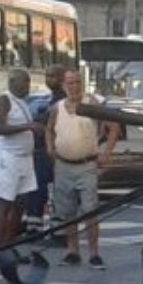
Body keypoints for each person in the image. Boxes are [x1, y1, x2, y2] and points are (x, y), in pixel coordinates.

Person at [46, 70, 120, 269]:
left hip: (86, 164)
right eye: (70, 83)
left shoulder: (93, 104)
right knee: (68, 211)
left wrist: (107, 152)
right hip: (63, 164)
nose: (74, 87)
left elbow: (114, 126)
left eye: (78, 82)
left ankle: (94, 253)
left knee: (90, 210)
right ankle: (72, 251)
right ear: (64, 86)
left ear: (83, 83)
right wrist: (50, 148)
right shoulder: (57, 107)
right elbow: (49, 128)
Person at [0, 69, 45, 246]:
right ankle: (1, 247)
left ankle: (10, 243)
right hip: (9, 158)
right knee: (5, 202)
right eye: (25, 82)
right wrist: (28, 127)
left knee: (21, 203)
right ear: (12, 82)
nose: (28, 86)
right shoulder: (4, 100)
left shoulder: (21, 102)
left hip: (25, 159)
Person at [24, 64, 67, 232]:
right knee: (37, 190)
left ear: (62, 78)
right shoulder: (46, 100)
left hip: (60, 151)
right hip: (42, 151)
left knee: (60, 192)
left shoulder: (66, 102)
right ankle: (34, 226)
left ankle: (59, 229)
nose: (48, 80)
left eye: (53, 76)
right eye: (47, 76)